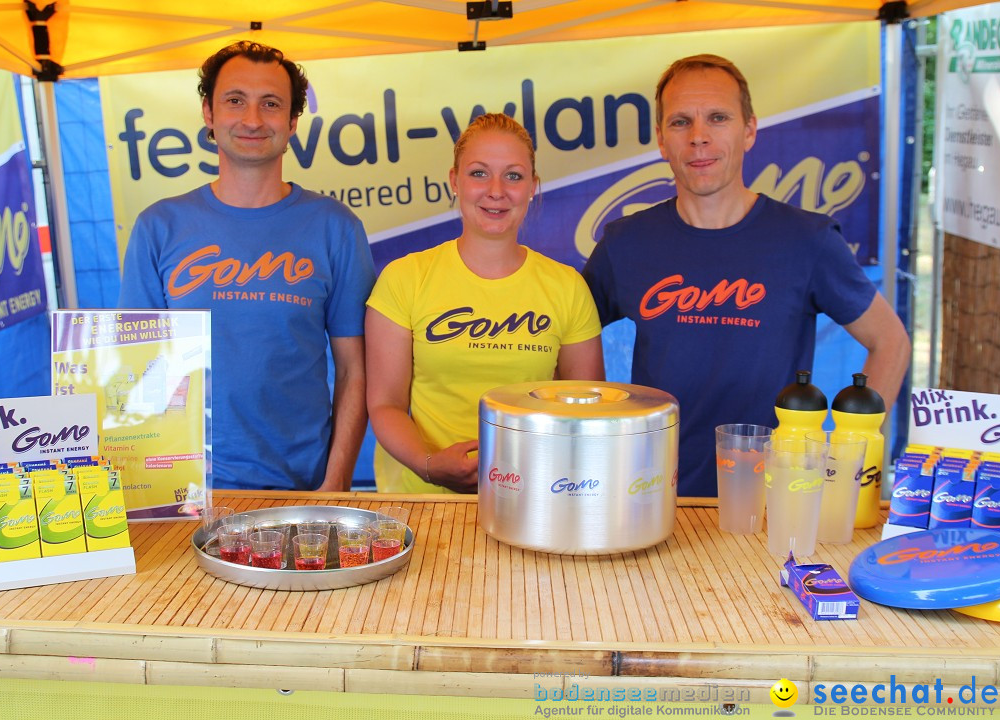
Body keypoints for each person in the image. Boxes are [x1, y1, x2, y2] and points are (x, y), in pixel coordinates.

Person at [582, 54, 910, 498]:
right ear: (661, 140)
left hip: (776, 506)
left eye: (718, 118)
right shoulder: (625, 243)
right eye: (681, 122)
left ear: (750, 130)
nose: (699, 137)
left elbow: (890, 342)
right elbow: (565, 338)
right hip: (651, 499)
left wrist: (847, 459)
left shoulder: (807, 240)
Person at [118, 41, 376, 492]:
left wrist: (333, 487)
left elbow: (356, 371)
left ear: (293, 121)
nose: (253, 119)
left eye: (270, 104)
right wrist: (147, 491)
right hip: (187, 492)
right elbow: (137, 370)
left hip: (303, 491)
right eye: (235, 101)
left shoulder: (336, 228)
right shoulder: (158, 227)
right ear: (209, 113)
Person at [366, 113, 605, 494]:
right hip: (423, 502)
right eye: (479, 173)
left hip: (534, 498)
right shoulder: (405, 278)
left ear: (533, 187)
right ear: (454, 181)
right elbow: (385, 404)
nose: (496, 190)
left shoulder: (567, 287)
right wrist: (430, 466)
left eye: (513, 175)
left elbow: (586, 412)